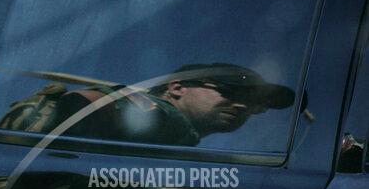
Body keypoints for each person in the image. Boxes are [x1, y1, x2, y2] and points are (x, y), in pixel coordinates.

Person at [45, 62, 295, 145]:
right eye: (230, 92)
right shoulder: (165, 114)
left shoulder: (181, 135)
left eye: (253, 104)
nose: (242, 107)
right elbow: (81, 105)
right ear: (177, 88)